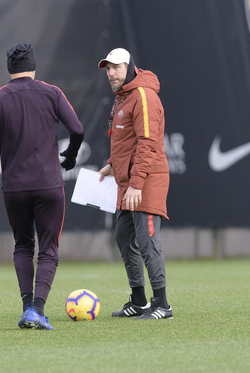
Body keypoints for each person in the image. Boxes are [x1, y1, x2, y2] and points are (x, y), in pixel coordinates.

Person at [0, 43, 84, 330]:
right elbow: (77, 129)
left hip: (15, 188)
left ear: (9, 68)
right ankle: (38, 310)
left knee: (22, 245)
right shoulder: (52, 92)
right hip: (48, 186)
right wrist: (70, 155)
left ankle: (26, 308)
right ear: (34, 65)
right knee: (48, 249)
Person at [97, 48, 172, 320]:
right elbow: (126, 141)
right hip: (129, 181)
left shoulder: (142, 95)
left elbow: (148, 144)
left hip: (146, 180)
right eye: (108, 69)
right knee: (123, 236)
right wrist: (112, 165)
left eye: (116, 67)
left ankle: (162, 305)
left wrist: (137, 184)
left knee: (146, 239)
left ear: (129, 67)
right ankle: (139, 300)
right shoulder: (124, 97)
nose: (111, 73)